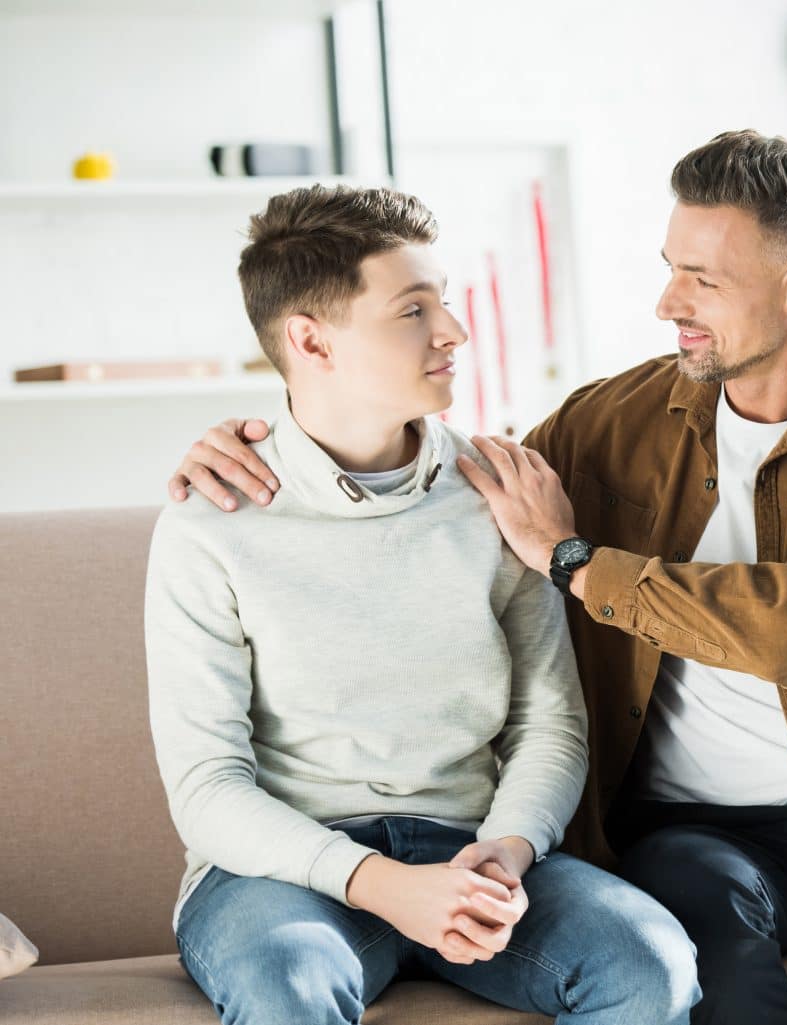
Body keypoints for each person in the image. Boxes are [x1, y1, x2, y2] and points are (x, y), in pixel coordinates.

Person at [168, 131, 787, 1025]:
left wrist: (578, 563)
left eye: (701, 280)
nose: (667, 301)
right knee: (689, 911)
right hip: (696, 835)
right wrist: (259, 442)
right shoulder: (607, 424)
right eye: (669, 268)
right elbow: (404, 460)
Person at [146, 184, 698, 1025]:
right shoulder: (211, 519)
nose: (454, 331)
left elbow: (549, 723)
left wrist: (506, 853)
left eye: (443, 301)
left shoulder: (500, 496)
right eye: (413, 309)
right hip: (278, 875)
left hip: (473, 849)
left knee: (649, 963)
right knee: (286, 982)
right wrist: (384, 886)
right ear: (311, 340)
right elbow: (208, 785)